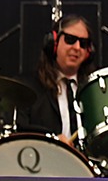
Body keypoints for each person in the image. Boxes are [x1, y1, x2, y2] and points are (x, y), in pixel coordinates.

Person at [25, 13, 96, 146]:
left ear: (89, 52)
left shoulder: (94, 92)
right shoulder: (29, 88)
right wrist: (51, 141)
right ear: (53, 43)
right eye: (70, 39)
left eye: (83, 43)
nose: (77, 48)